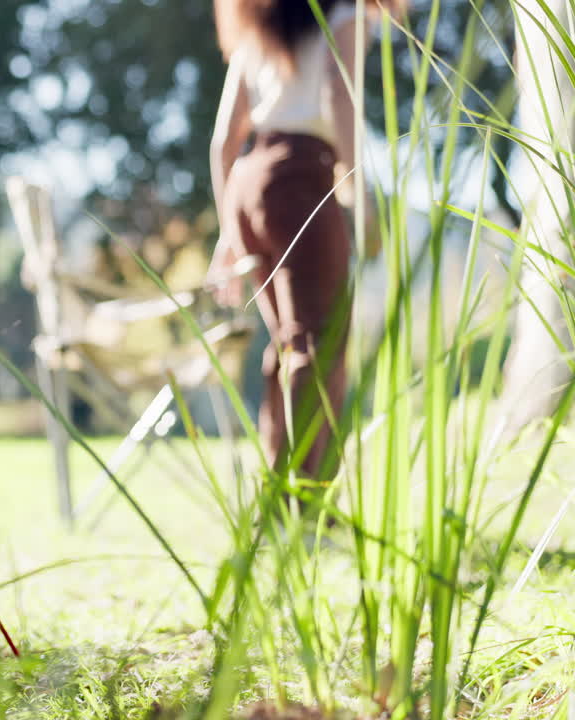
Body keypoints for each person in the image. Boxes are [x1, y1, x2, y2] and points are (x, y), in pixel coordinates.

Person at [206, 0, 395, 492]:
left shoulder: (258, 23)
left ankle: (283, 492)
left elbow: (226, 138)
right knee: (319, 344)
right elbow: (339, 93)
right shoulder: (346, 13)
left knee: (292, 344)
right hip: (301, 178)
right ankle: (301, 503)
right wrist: (359, 195)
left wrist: (230, 229)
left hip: (251, 181)